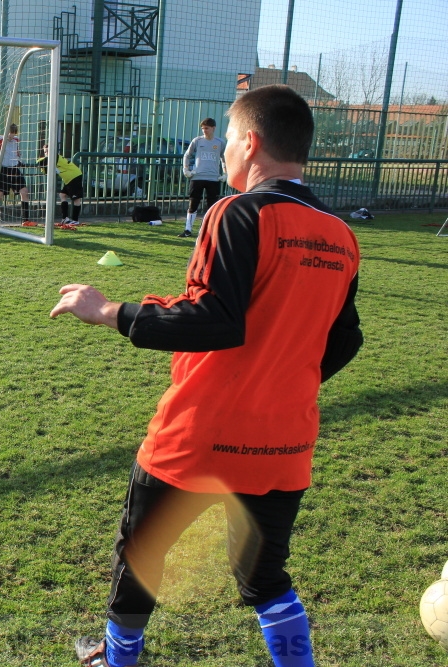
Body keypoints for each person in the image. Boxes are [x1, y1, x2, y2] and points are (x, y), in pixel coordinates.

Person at [50, 85, 362, 667]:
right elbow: (345, 339)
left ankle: (118, 661)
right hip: (284, 440)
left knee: (142, 553)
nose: (223, 161)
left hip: (200, 434)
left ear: (250, 143)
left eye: (229, 148)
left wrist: (110, 312)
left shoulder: (235, 211)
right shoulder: (341, 235)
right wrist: (282, 379)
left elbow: (215, 319)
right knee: (264, 579)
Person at [180, 117, 227, 238]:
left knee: (211, 205)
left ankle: (208, 230)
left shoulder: (220, 142)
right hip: (197, 177)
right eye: (202, 128)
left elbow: (224, 159)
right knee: (193, 203)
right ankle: (188, 229)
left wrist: (225, 173)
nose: (204, 130)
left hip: (213, 178)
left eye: (206, 128)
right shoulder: (197, 141)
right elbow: (187, 155)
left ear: (213, 128)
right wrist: (186, 169)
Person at [37, 143, 84, 226]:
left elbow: (40, 162)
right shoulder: (51, 160)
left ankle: (75, 220)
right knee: (62, 195)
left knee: (76, 199)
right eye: (45, 152)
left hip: (74, 176)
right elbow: (45, 170)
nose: (46, 153)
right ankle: (65, 218)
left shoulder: (56, 157)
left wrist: (39, 162)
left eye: (48, 151)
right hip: (68, 179)